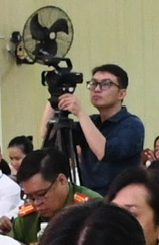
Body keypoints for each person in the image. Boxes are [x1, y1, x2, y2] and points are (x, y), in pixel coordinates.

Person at [44, 62, 145, 196]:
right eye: (93, 83)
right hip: (89, 198)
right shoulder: (91, 122)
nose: (97, 89)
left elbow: (103, 152)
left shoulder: (132, 124)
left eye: (105, 84)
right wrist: (55, 96)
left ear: (121, 93)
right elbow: (48, 134)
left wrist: (80, 113)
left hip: (119, 199)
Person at [8, 150, 95, 245]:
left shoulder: (91, 208)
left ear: (61, 180)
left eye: (41, 194)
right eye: (30, 197)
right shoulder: (28, 218)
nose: (36, 203)